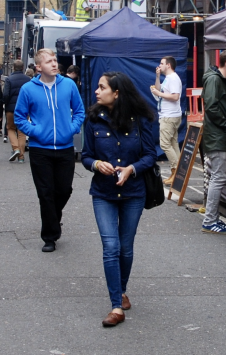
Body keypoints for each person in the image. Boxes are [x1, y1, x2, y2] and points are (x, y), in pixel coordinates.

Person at [80, 72, 157, 327]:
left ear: (116, 93)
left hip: (133, 192)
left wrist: (131, 169)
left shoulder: (140, 119)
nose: (96, 91)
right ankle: (116, 305)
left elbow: (150, 155)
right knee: (111, 247)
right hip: (103, 193)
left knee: (125, 247)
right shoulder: (93, 119)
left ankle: (121, 290)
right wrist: (96, 164)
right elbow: (86, 155)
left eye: (102, 87)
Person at [14, 48, 86, 253]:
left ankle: (53, 218)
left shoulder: (68, 85)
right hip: (40, 149)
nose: (54, 64)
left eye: (54, 60)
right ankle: (50, 237)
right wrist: (35, 131)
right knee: (45, 193)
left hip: (65, 147)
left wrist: (71, 129)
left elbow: (79, 111)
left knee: (64, 190)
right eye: (48, 61)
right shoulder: (28, 89)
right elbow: (19, 117)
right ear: (38, 67)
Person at [199, 50, 226, 234]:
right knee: (218, 177)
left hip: (218, 135)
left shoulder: (218, 79)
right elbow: (212, 106)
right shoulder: (215, 80)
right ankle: (209, 221)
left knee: (218, 177)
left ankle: (213, 219)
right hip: (217, 136)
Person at [150, 56, 183, 185]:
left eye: (162, 63)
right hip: (170, 115)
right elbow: (159, 89)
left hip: (169, 116)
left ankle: (176, 171)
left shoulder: (173, 78)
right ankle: (178, 173)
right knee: (173, 143)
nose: (160, 65)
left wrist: (158, 94)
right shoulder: (168, 78)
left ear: (168, 65)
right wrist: (157, 77)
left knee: (164, 144)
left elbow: (175, 97)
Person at [3, 59, 30, 162]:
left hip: (11, 108)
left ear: (13, 68)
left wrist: (5, 104)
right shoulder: (28, 79)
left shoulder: (9, 79)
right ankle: (21, 157)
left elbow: (6, 94)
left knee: (10, 128)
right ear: (23, 68)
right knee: (21, 131)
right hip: (24, 109)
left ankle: (16, 148)